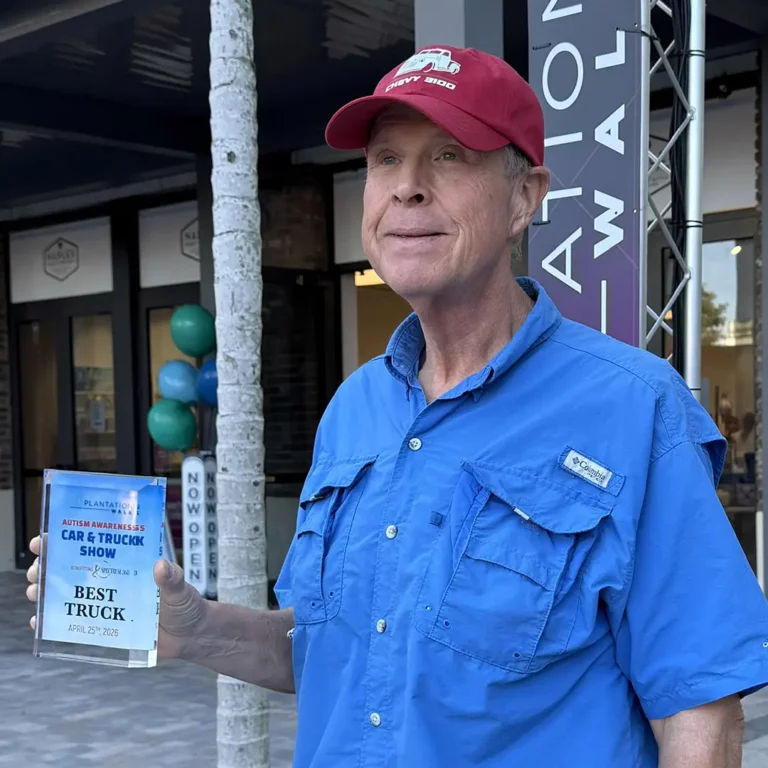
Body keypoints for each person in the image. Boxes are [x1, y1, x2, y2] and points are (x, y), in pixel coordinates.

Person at [27, 45, 768, 767]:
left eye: (450, 155)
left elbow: (701, 709)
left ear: (524, 197)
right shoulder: (355, 408)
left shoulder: (634, 408)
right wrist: (195, 629)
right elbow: (331, 650)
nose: (407, 187)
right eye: (385, 159)